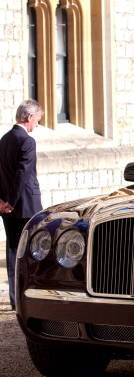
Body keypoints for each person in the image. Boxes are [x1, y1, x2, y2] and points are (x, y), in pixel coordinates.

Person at [0, 100, 43, 311]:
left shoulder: (4, 139)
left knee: (12, 249)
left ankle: (15, 298)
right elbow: (22, 175)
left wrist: (2, 200)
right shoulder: (27, 141)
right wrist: (11, 201)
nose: (37, 124)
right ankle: (29, 296)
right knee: (32, 249)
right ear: (28, 118)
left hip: (7, 206)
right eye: (37, 120)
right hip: (25, 205)